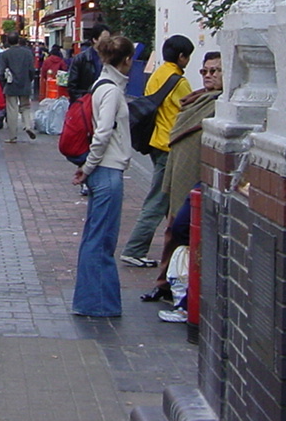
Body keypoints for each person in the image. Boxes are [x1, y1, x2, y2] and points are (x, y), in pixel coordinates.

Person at [146, 52, 223, 309]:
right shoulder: (195, 98)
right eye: (205, 71)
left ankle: (180, 287)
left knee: (184, 230)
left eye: (215, 71)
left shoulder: (221, 104)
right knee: (172, 227)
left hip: (198, 175)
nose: (209, 75)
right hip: (177, 166)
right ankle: (166, 283)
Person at [71, 34, 136, 317]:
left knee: (95, 236)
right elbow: (103, 132)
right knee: (101, 239)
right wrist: (89, 166)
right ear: (127, 60)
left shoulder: (102, 85)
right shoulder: (110, 90)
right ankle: (97, 303)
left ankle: (93, 300)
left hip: (102, 169)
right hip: (107, 170)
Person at [120, 34, 194, 268]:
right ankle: (135, 248)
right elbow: (189, 110)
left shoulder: (157, 74)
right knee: (158, 200)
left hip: (155, 141)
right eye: (188, 56)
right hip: (169, 145)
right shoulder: (179, 82)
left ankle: (174, 250)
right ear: (181, 56)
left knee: (169, 200)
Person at [0, 32, 37, 141]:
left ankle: (12, 136)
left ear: (7, 41)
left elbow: (1, 71)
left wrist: (3, 81)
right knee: (25, 106)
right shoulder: (28, 53)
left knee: (12, 109)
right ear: (18, 40)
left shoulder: (5, 54)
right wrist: (29, 80)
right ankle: (28, 126)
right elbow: (31, 69)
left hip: (11, 85)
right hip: (25, 83)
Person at [67, 24, 111, 100]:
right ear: (95, 39)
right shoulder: (81, 58)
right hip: (86, 103)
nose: (107, 42)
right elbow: (72, 87)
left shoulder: (111, 58)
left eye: (109, 39)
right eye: (105, 39)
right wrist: (86, 101)